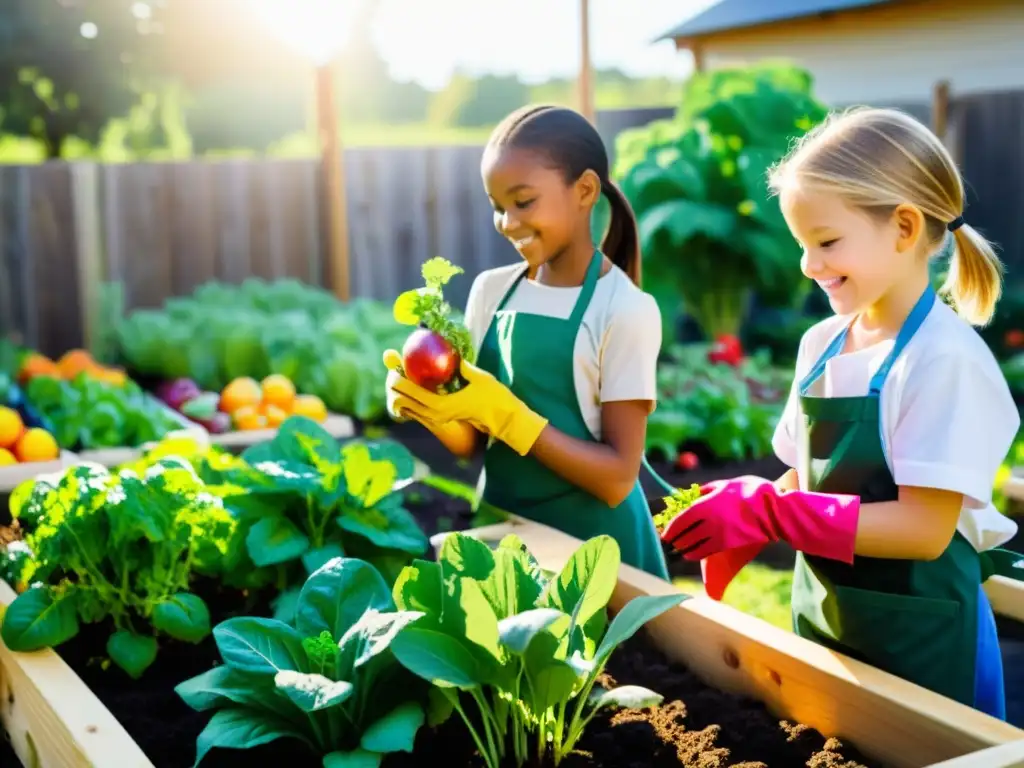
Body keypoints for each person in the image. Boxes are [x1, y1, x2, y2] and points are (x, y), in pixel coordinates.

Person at [661, 106, 1023, 719]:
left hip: (926, 646)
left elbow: (924, 529)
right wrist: (751, 508)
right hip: (827, 625)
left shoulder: (944, 359)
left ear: (904, 228)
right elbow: (805, 479)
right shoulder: (821, 344)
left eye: (827, 242)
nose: (808, 264)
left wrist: (775, 514)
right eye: (802, 244)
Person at [383, 104, 670, 580]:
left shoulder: (624, 308)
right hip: (504, 535)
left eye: (523, 202)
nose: (507, 222)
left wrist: (510, 416)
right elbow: (473, 444)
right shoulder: (491, 291)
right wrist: (431, 409)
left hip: (598, 558)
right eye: (497, 206)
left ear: (584, 191)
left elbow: (619, 478)